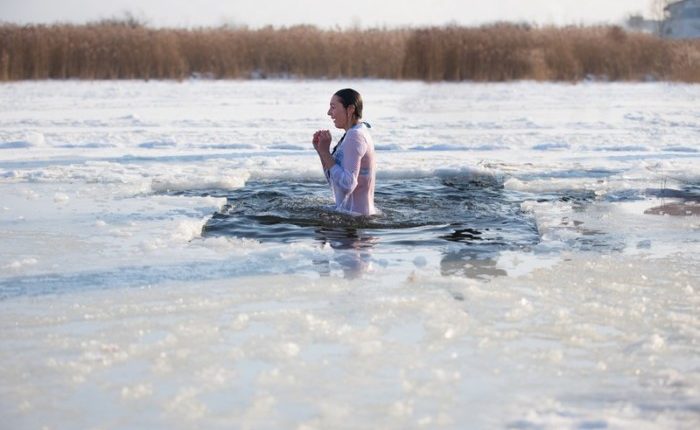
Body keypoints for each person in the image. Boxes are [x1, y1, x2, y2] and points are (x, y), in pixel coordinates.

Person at [312, 88, 377, 216]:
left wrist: (326, 153)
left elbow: (347, 185)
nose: (329, 113)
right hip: (353, 216)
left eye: (333, 107)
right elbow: (334, 181)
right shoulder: (353, 134)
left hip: (356, 221)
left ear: (350, 109)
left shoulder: (355, 136)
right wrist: (321, 151)